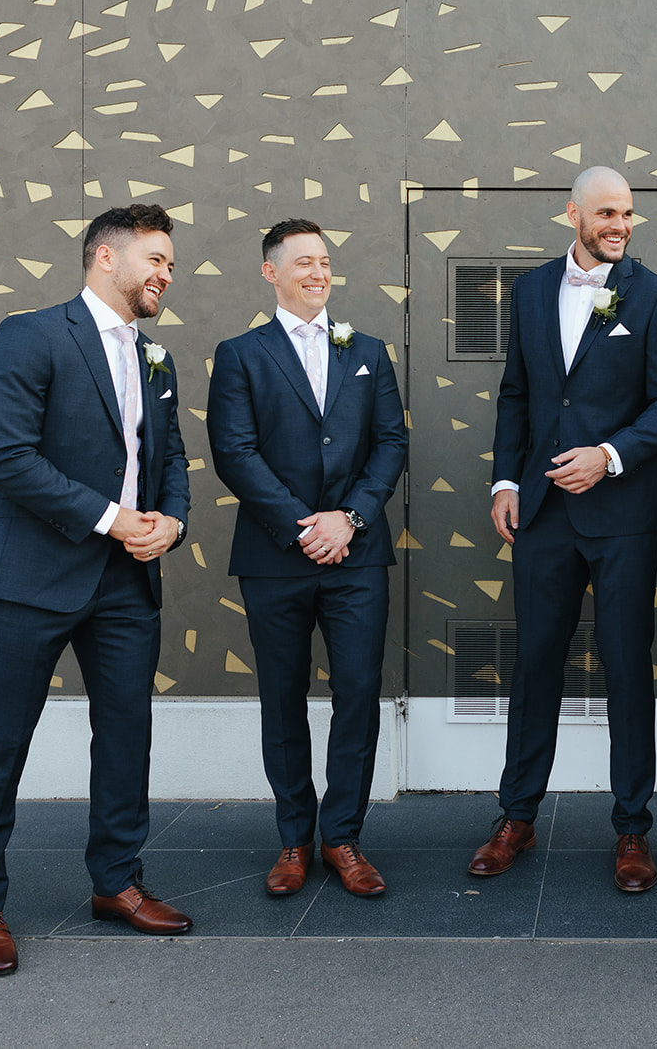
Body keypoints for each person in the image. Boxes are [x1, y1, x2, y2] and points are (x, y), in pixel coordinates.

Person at [0, 204, 193, 976]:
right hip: (29, 578)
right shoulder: (31, 334)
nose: (164, 274)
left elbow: (174, 458)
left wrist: (171, 526)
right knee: (0, 743)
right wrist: (117, 519)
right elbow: (5, 456)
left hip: (127, 580)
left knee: (127, 735)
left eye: (169, 264)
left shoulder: (157, 359)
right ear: (103, 258)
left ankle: (117, 882)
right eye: (153, 259)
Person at [470, 167, 657, 892]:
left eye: (627, 213)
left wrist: (610, 455)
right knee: (534, 663)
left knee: (627, 665)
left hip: (623, 515)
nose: (619, 224)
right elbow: (517, 393)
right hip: (541, 516)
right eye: (605, 212)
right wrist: (506, 480)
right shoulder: (532, 290)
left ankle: (632, 829)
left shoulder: (655, 295)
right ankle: (517, 815)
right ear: (572, 214)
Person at [207, 219, 406, 898]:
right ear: (271, 272)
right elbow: (234, 451)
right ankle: (294, 837)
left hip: (356, 555)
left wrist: (347, 519)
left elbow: (391, 445)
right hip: (275, 558)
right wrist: (303, 527)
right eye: (303, 263)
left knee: (357, 692)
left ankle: (342, 836)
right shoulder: (240, 354)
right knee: (283, 697)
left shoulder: (369, 352)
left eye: (325, 261)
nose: (318, 273)